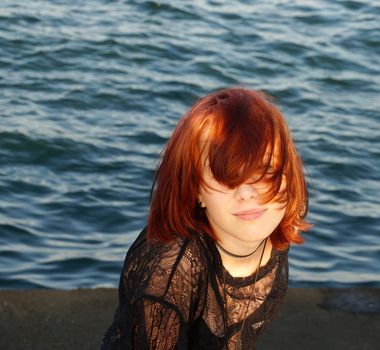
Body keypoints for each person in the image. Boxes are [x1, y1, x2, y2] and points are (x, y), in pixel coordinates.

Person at [101, 87, 309, 349]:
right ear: (196, 190)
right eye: (226, 177)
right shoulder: (171, 278)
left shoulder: (285, 205)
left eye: (265, 171)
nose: (247, 193)